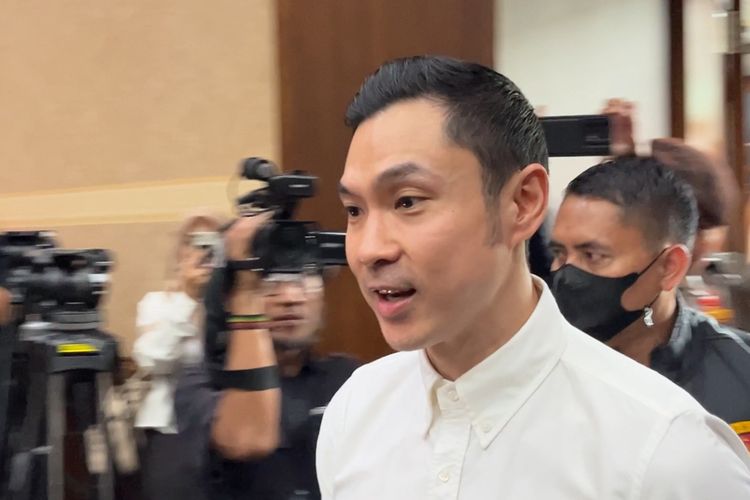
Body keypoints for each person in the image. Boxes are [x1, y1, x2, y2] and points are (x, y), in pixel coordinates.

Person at [316, 55, 750, 499]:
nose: (370, 249)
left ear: (522, 203)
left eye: (408, 201)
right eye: (354, 210)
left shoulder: (667, 451)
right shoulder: (355, 411)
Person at [549, 156, 750, 439]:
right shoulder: (533, 372)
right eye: (559, 254)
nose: (567, 274)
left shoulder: (741, 374)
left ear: (670, 267)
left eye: (593, 255)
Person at [174, 214, 359, 500]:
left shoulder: (349, 379)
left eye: (305, 278)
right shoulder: (202, 383)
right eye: (269, 281)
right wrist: (246, 289)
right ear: (230, 299)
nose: (290, 297)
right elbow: (248, 438)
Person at [132, 212, 222, 500]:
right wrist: (188, 299)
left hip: (224, 427)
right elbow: (151, 360)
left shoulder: (236, 305)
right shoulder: (159, 304)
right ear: (180, 252)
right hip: (171, 431)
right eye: (196, 242)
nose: (205, 252)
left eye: (213, 243)